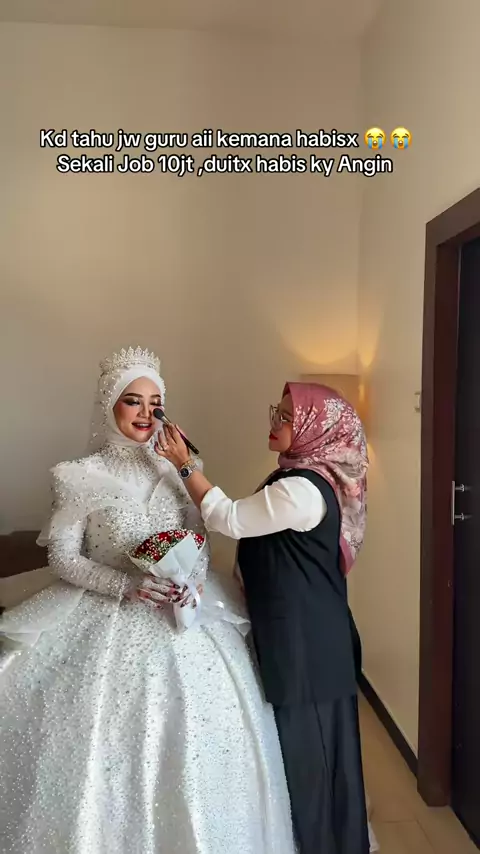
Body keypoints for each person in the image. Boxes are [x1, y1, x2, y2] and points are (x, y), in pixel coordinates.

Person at [0, 347, 297, 854]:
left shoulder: (178, 468)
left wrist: (191, 581)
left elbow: (198, 536)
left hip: (181, 613)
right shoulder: (75, 475)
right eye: (132, 401)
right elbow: (64, 559)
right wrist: (126, 587)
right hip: (105, 609)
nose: (145, 413)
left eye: (155, 403)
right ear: (108, 405)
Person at [155, 381, 378, 854]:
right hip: (311, 637)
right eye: (276, 412)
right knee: (320, 764)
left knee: (315, 767)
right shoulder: (298, 477)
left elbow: (230, 519)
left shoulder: (301, 489)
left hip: (307, 646)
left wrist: (185, 465)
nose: (275, 423)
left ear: (316, 429)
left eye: (287, 417)